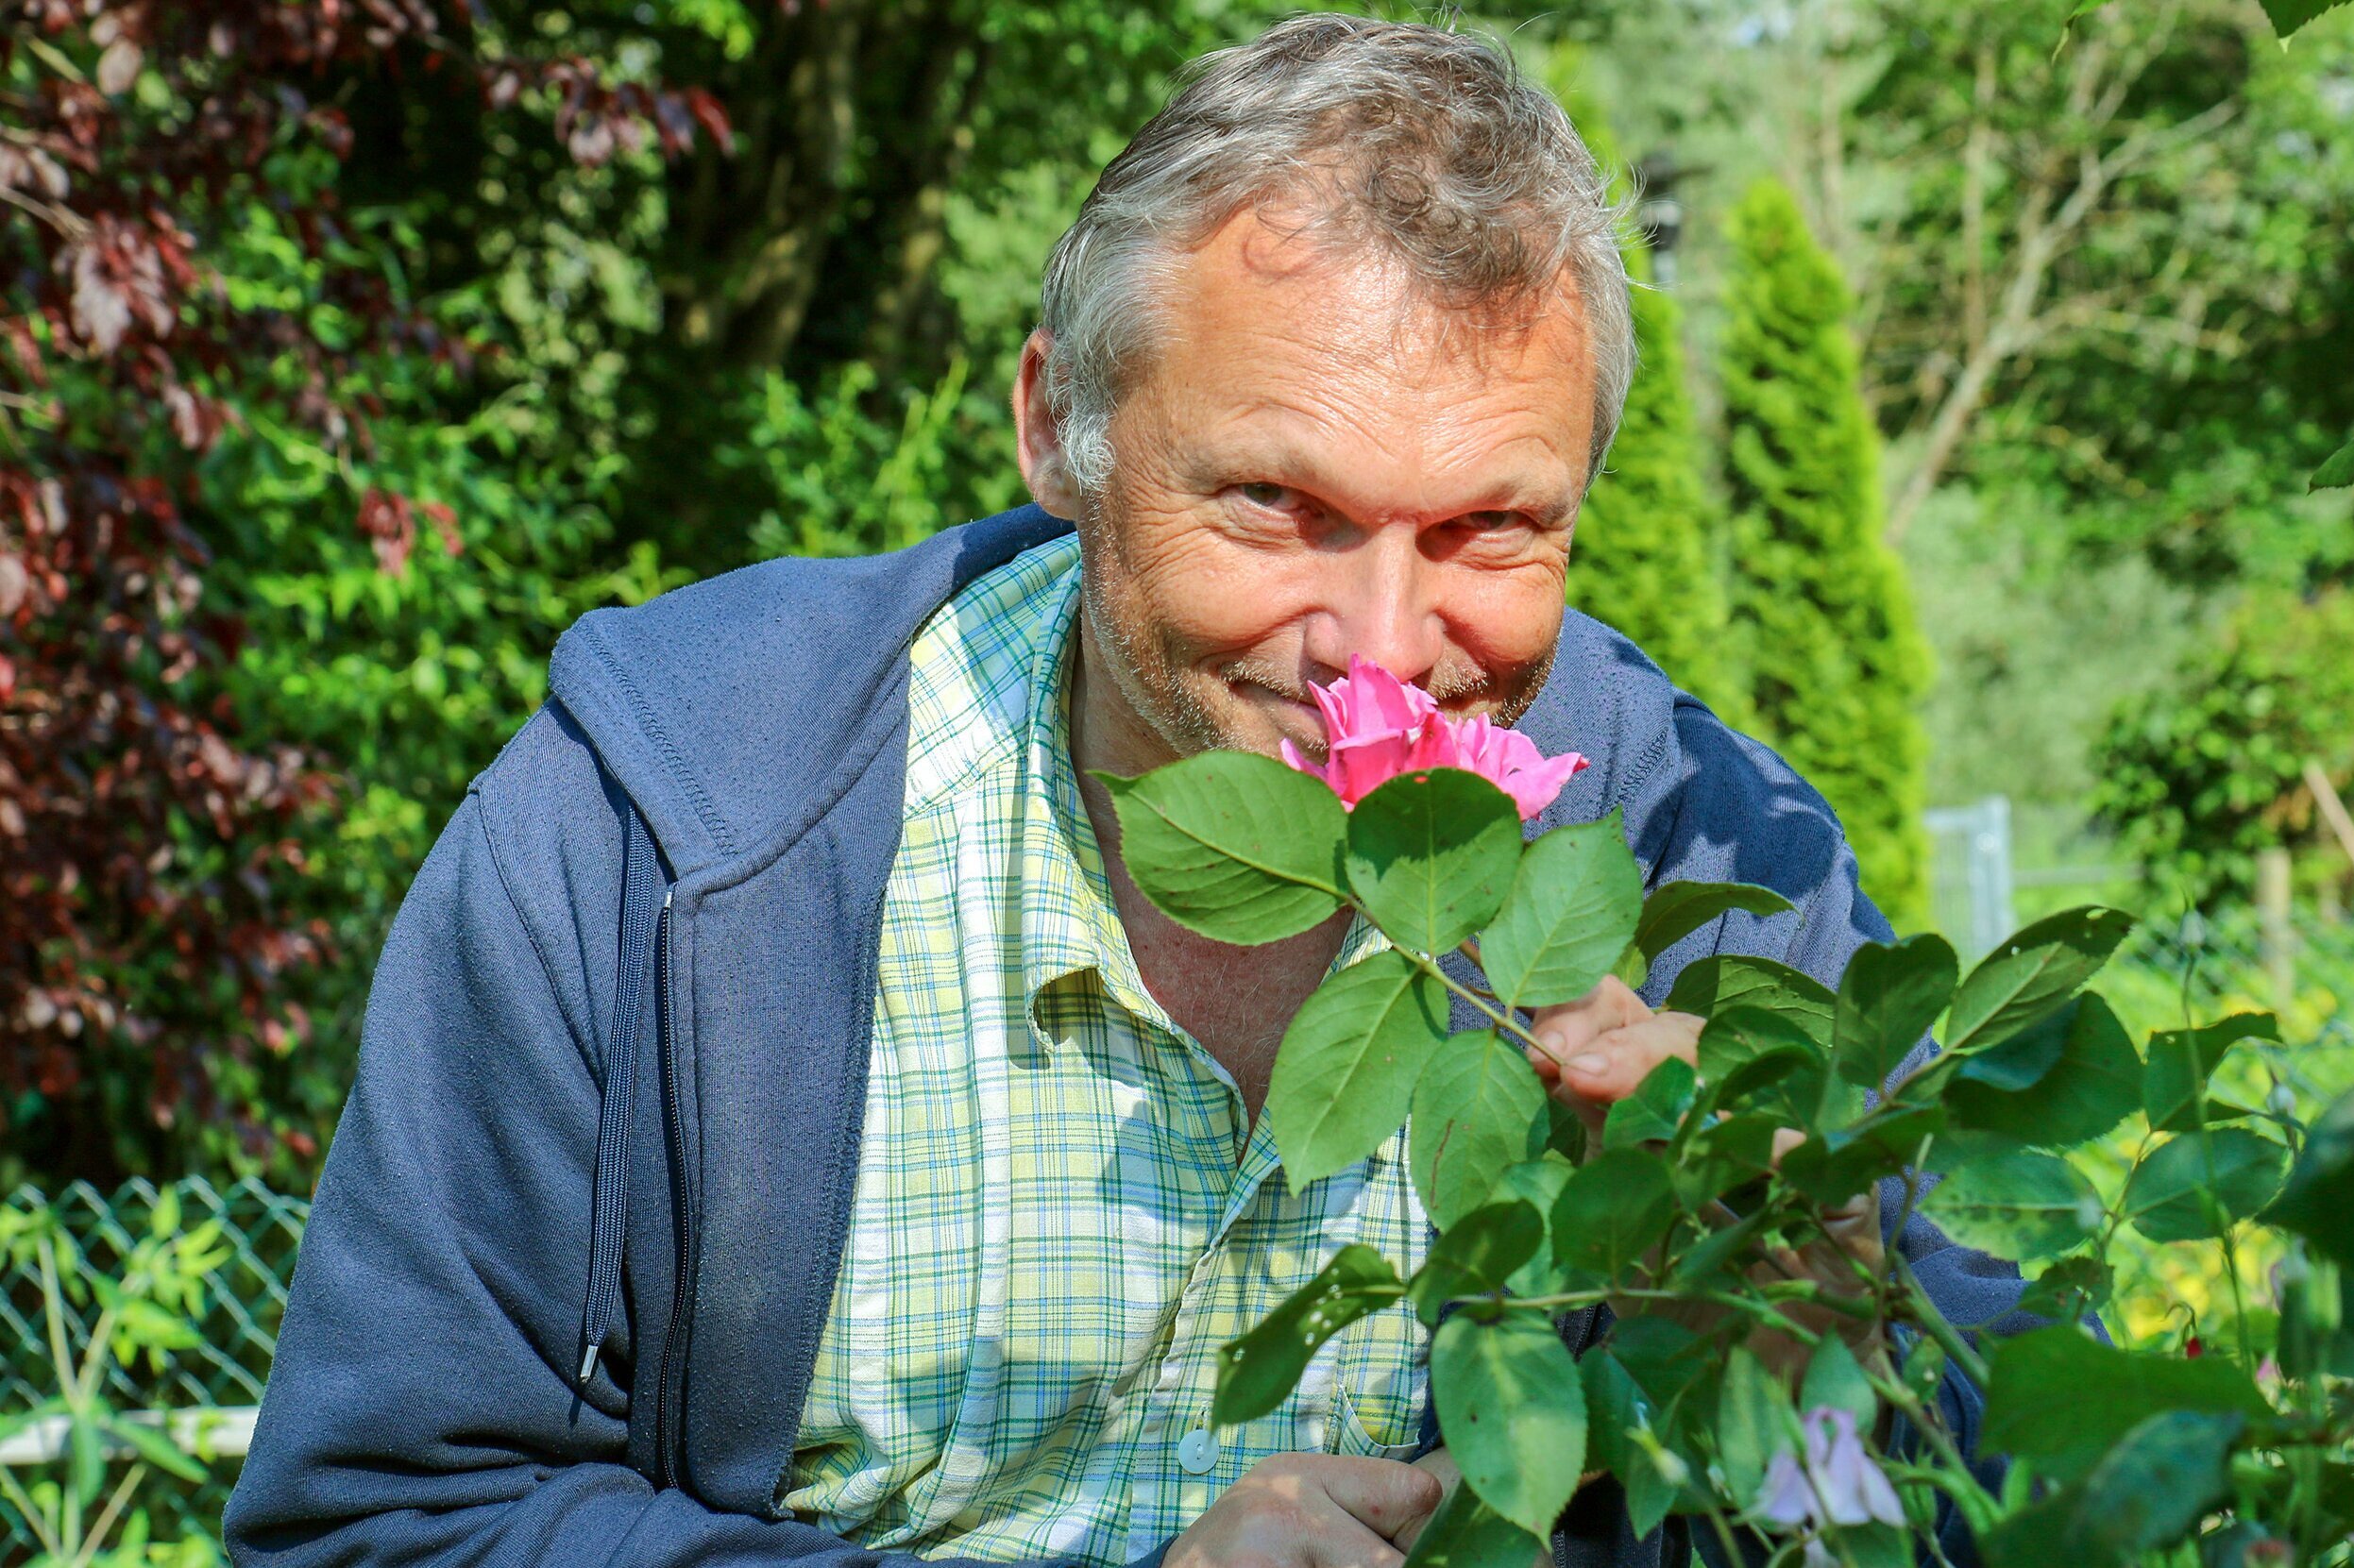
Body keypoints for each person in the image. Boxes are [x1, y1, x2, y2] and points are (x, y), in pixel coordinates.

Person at [225, 17, 2036, 1568]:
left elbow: (1994, 1491)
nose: (1382, 650)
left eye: (1488, 526)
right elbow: (380, 1521)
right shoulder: (668, 831)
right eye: (1274, 504)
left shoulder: (1707, 855)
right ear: (1057, 429)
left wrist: (1816, 1365)